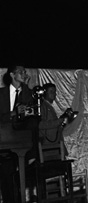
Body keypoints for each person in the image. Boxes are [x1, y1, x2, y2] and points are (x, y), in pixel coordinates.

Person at [0, 65, 36, 203]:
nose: (24, 74)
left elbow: (30, 111)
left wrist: (26, 86)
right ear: (11, 75)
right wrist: (12, 114)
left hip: (20, 140)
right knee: (7, 177)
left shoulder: (27, 92)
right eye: (20, 72)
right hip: (4, 139)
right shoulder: (1, 93)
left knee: (33, 121)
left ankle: (32, 156)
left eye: (25, 71)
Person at [38, 83, 68, 153]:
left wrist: (63, 121)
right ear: (44, 93)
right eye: (51, 91)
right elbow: (40, 124)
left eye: (55, 92)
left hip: (54, 142)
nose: (54, 94)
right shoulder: (42, 106)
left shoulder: (49, 106)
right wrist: (58, 121)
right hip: (48, 144)